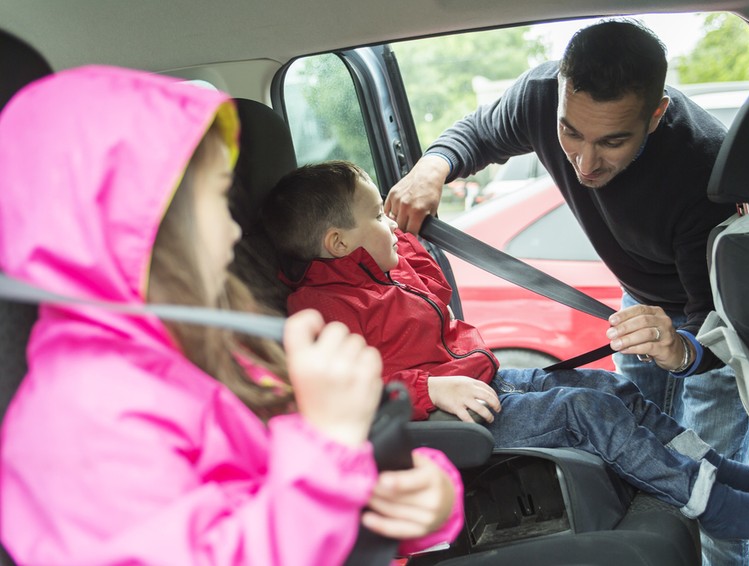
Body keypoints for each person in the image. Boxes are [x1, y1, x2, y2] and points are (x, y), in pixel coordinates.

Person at [0, 66, 463, 565]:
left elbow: (301, 482)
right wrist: (328, 447)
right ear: (143, 224)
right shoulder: (80, 423)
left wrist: (422, 492)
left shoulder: (215, 350)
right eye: (221, 200)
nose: (232, 231)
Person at [258, 160, 749, 545]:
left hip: (483, 381)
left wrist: (400, 237)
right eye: (377, 215)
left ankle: (712, 467)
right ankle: (710, 502)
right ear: (338, 243)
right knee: (582, 411)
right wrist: (430, 390)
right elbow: (340, 391)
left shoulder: (379, 269)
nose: (389, 224)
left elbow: (434, 290)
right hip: (446, 417)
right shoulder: (322, 308)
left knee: (614, 387)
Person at [384, 19, 749, 564]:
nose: (584, 162)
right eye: (570, 134)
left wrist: (684, 350)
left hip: (709, 322)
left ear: (655, 116)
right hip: (636, 309)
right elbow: (477, 134)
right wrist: (432, 166)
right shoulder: (541, 96)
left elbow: (715, 331)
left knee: (709, 494)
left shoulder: (704, 170)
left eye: (612, 141)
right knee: (640, 470)